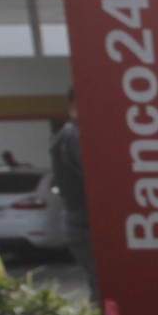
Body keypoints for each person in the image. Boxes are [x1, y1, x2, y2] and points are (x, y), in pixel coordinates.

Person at [49, 89, 99, 302]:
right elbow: (96, 171)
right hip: (85, 225)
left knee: (101, 287)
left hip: (81, 224)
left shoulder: (66, 135)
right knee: (105, 289)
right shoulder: (74, 136)